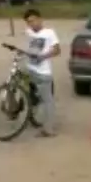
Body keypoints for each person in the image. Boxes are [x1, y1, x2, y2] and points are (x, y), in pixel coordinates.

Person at [23, 9, 60, 137]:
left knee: (47, 100)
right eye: (29, 22)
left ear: (40, 19)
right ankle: (15, 108)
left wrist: (43, 56)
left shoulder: (49, 33)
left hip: (43, 72)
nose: (32, 24)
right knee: (16, 80)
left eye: (33, 20)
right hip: (30, 69)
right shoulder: (28, 32)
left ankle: (48, 129)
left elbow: (57, 50)